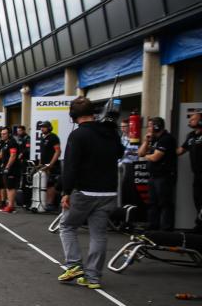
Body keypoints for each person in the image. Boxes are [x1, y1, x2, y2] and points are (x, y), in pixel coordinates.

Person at [58, 96, 123, 289]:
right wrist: (113, 130)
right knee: (98, 234)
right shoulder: (109, 131)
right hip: (108, 192)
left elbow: (71, 166)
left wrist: (66, 191)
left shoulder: (77, 135)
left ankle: (74, 265)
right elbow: (120, 153)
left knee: (67, 226)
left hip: (84, 191)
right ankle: (93, 277)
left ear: (73, 115)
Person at [138, 116, 178, 231]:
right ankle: (153, 226)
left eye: (150, 126)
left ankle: (166, 228)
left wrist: (147, 155)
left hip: (164, 176)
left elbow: (156, 157)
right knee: (152, 203)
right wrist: (146, 141)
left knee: (164, 203)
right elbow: (140, 153)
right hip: (153, 176)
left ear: (157, 127)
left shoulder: (166, 139)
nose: (148, 128)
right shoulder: (154, 139)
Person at [177, 112, 202, 232]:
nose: (190, 121)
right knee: (198, 200)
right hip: (197, 175)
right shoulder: (191, 136)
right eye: (190, 119)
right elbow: (180, 151)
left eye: (193, 119)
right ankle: (200, 225)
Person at [37, 120, 62, 211]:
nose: (42, 129)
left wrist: (51, 164)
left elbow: (58, 151)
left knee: (51, 184)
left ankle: (50, 203)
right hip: (44, 164)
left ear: (49, 128)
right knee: (45, 184)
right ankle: (45, 203)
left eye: (44, 127)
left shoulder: (53, 137)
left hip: (52, 165)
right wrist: (40, 163)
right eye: (41, 127)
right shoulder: (42, 138)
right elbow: (42, 153)